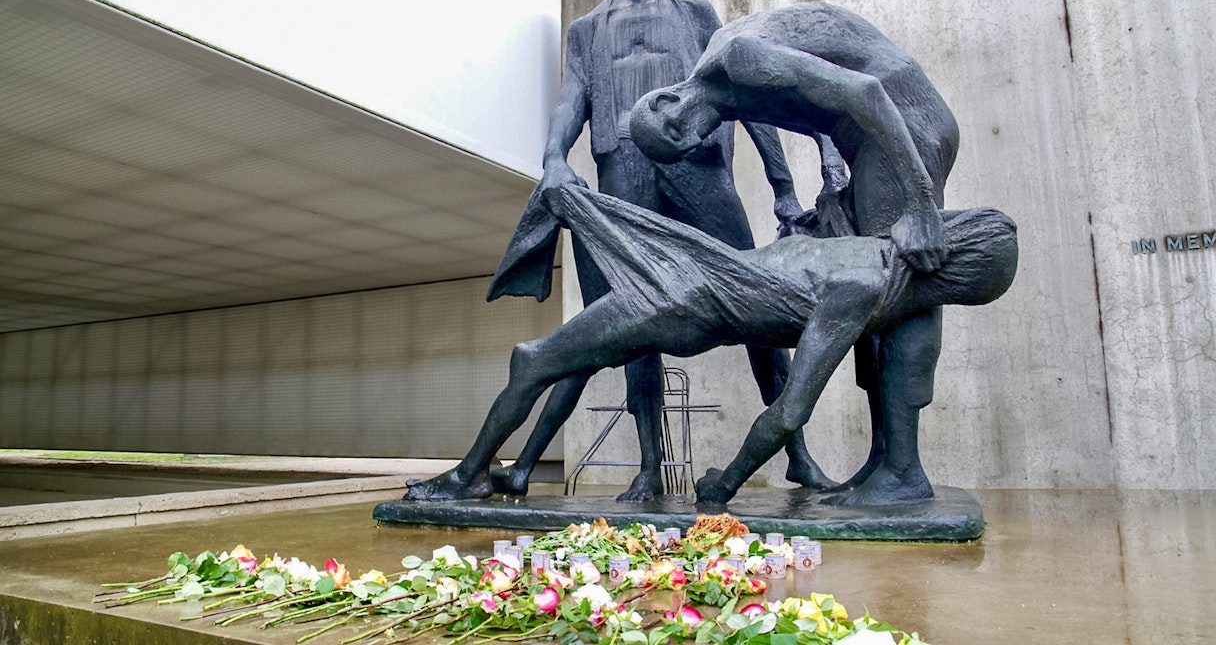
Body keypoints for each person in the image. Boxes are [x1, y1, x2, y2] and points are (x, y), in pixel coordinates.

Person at [485, 0, 828, 501]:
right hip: (623, 165)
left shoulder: (694, 13)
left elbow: (739, 94)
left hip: (697, 163)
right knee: (631, 313)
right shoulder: (588, 30)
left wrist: (782, 184)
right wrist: (553, 158)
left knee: (756, 295)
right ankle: (650, 467)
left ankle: (796, 452)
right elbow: (573, 97)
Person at [401, 184, 1016, 504]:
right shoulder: (864, 251)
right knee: (545, 332)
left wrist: (727, 482)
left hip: (686, 300)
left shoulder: (860, 285)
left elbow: (790, 409)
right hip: (697, 275)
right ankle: (478, 471)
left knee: (534, 359)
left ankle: (469, 477)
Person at [627, 1, 961, 504]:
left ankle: (904, 471)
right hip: (871, 138)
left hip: (901, 124)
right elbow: (814, 106)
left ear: (668, 100)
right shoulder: (729, 89)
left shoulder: (737, 59)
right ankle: (884, 461)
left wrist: (920, 203)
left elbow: (864, 91)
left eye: (678, 132)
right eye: (681, 149)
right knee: (873, 297)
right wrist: (834, 180)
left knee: (899, 288)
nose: (693, 141)